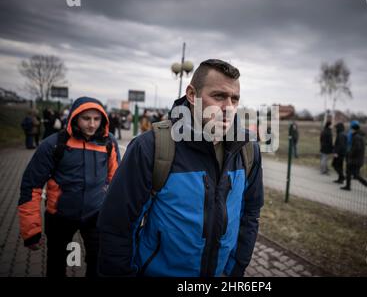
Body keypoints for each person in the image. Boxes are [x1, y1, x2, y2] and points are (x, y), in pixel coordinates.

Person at [97, 59, 264, 277]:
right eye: (219, 96)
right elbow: (116, 226)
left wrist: (236, 268)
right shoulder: (151, 147)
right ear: (192, 95)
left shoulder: (248, 150)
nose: (229, 108)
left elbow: (250, 214)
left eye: (235, 99)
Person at [18, 97, 121, 277]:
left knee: (98, 262)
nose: (92, 124)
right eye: (86, 118)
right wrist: (31, 230)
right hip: (60, 216)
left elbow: (116, 183)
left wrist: (118, 219)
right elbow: (31, 186)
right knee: (57, 263)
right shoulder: (54, 144)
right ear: (75, 118)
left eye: (96, 119)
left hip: (95, 216)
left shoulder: (109, 143)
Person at [341, 120, 367, 196]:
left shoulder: (356, 137)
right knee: (348, 172)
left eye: (351, 129)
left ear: (353, 129)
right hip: (356, 159)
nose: (350, 130)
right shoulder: (359, 136)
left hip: (355, 160)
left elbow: (356, 149)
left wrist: (350, 154)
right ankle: (347, 186)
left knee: (356, 175)